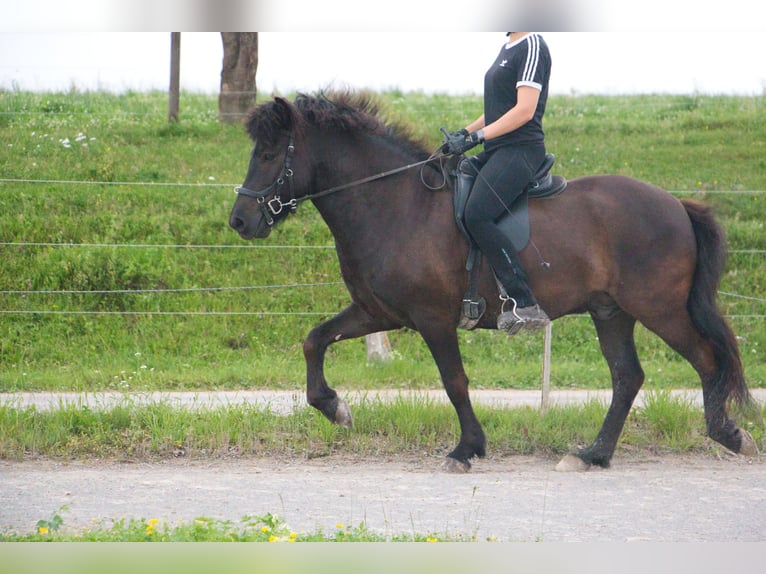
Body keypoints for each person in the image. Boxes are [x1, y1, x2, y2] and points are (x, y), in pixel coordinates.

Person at [442, 32, 552, 336]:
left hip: (521, 150)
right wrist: (464, 133)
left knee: (478, 214)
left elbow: (524, 110)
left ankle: (525, 303)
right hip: (497, 151)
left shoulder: (531, 44)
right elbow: (497, 110)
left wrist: (479, 137)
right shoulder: (507, 47)